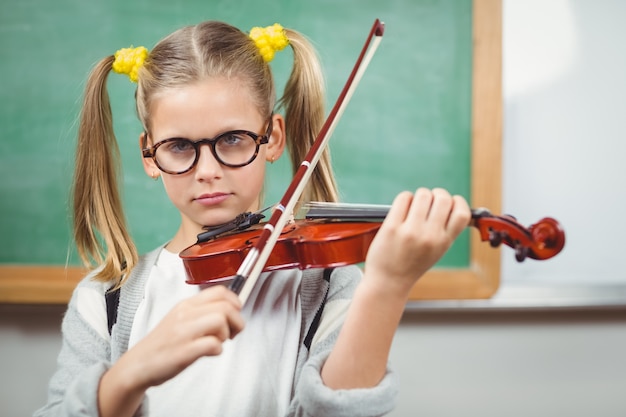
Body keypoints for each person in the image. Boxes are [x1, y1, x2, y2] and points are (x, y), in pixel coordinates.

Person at [34, 20, 470, 417]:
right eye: (180, 147)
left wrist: (388, 286)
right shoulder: (104, 300)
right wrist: (131, 372)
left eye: (233, 139)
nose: (208, 170)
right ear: (149, 155)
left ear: (272, 138)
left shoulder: (328, 286)